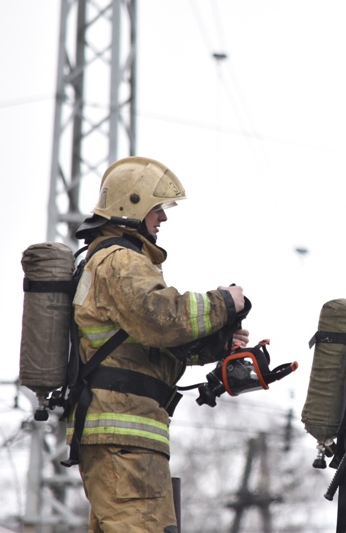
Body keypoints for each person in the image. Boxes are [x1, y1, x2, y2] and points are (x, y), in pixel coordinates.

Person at [68, 156, 249, 532]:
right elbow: (159, 317)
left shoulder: (107, 261)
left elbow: (144, 346)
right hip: (124, 441)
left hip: (122, 439)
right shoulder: (121, 260)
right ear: (131, 205)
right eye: (157, 208)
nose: (162, 218)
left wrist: (216, 345)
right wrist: (224, 303)